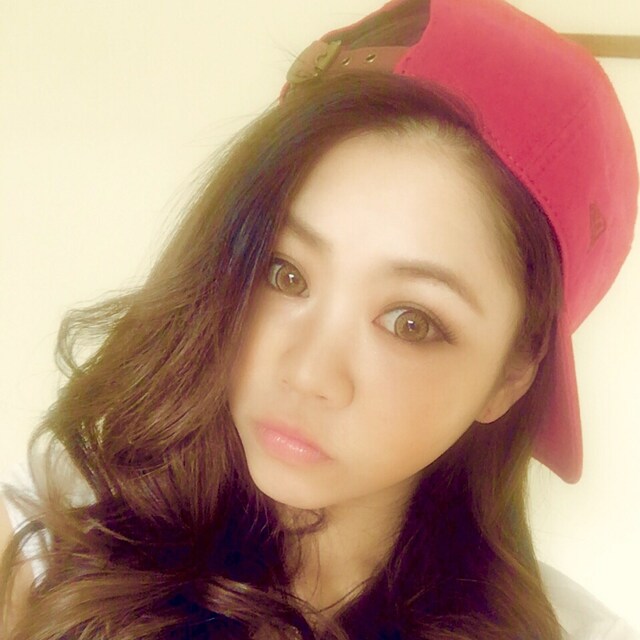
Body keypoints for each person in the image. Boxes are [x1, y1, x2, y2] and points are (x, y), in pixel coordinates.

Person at [1, 0, 638, 638]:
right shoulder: (50, 551)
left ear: (512, 375)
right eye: (284, 273)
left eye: (410, 321)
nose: (308, 373)